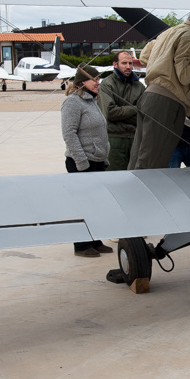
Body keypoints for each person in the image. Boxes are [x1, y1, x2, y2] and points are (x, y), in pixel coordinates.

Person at [130, 9, 190, 171]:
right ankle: (143, 195)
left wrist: (164, 65)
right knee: (153, 164)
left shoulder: (169, 32)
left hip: (149, 96)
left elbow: (144, 56)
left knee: (138, 158)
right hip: (167, 104)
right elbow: (185, 75)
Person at [61, 64, 113, 258]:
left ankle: (95, 240)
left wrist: (103, 157)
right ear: (83, 82)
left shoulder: (91, 101)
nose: (98, 82)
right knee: (84, 205)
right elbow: (69, 133)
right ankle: (81, 246)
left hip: (97, 161)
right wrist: (82, 163)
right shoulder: (73, 103)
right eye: (95, 79)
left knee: (96, 205)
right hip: (81, 163)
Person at [98, 50, 144, 171]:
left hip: (135, 138)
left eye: (130, 63)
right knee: (114, 177)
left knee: (136, 176)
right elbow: (110, 112)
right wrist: (135, 109)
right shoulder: (107, 84)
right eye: (124, 63)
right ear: (115, 64)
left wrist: (123, 112)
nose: (128, 66)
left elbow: (145, 113)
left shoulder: (139, 86)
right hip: (115, 138)